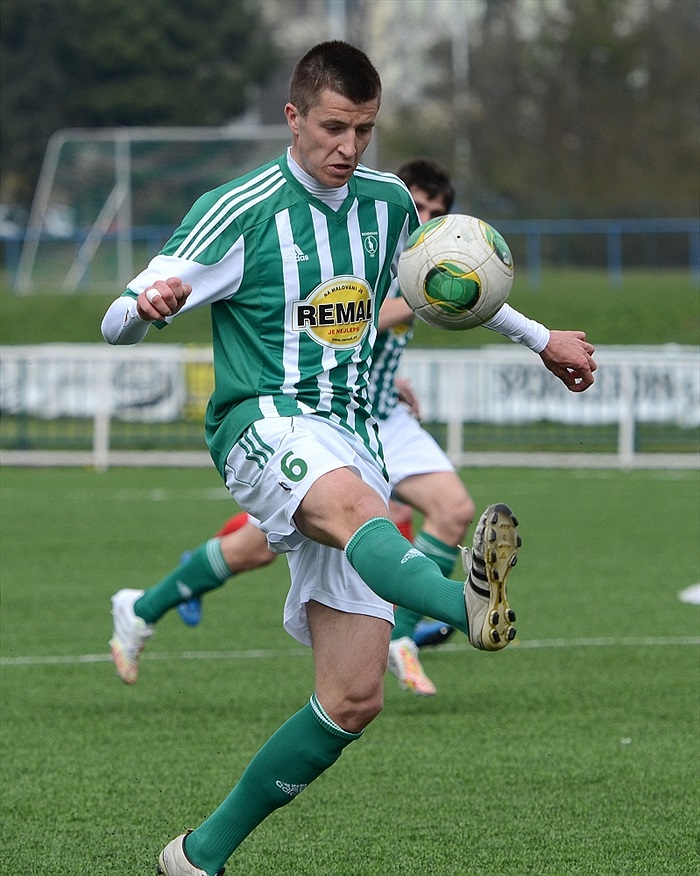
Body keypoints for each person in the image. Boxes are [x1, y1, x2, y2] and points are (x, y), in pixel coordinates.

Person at [102, 42, 596, 876]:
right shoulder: (240, 208)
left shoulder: (387, 204)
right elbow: (116, 319)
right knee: (366, 514)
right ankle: (459, 602)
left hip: (353, 433)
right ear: (294, 117)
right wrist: (147, 305)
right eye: (333, 127)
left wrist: (544, 340)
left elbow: (456, 281)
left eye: (364, 130)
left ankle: (196, 857)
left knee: (353, 699)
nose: (349, 146)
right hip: (263, 422)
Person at [108, 157, 592, 698]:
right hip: (293, 417)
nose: (425, 218)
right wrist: (420, 303)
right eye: (421, 205)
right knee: (268, 545)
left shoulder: (419, 256)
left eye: (436, 212)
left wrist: (533, 337)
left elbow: (372, 329)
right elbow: (354, 314)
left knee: (447, 511)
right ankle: (143, 607)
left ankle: (402, 637)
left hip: (376, 418)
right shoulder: (369, 256)